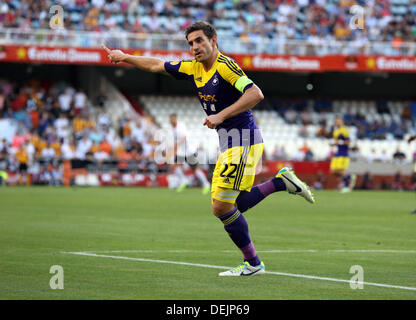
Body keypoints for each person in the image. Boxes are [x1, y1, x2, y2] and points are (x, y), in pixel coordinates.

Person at [102, 21, 314, 277]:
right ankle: (279, 184)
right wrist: (125, 57)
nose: (195, 47)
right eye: (191, 43)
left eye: (200, 41)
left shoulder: (225, 66)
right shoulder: (193, 68)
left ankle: (254, 262)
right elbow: (157, 65)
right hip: (231, 142)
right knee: (228, 206)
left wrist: (221, 115)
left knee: (221, 207)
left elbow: (255, 93)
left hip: (243, 139)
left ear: (214, 41)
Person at [167, 113, 211, 195]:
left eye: (171, 118)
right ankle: (184, 180)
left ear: (175, 118)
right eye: (170, 119)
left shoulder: (180, 126)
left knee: (194, 169)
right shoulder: (173, 128)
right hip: (181, 152)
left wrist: (175, 145)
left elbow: (184, 137)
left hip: (189, 151)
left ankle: (206, 184)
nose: (170, 120)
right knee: (173, 165)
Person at [329, 116, 356, 193]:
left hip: (344, 153)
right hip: (338, 152)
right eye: (336, 121)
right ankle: (349, 177)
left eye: (338, 121)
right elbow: (337, 142)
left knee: (341, 171)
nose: (337, 122)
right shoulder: (335, 132)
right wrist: (333, 144)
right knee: (333, 171)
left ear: (342, 122)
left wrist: (339, 142)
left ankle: (346, 186)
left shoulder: (345, 130)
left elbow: (348, 142)